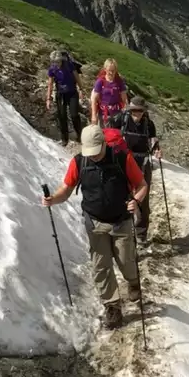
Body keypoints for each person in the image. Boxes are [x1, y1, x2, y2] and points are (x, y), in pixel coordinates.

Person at [42, 124, 149, 329]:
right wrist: (52, 199)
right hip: (94, 221)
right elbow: (66, 190)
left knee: (126, 261)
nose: (93, 157)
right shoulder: (79, 162)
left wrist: (135, 200)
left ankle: (133, 281)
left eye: (96, 152)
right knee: (101, 266)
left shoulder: (122, 158)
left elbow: (142, 184)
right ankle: (112, 307)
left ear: (103, 144)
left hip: (121, 221)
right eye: (89, 152)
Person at [108, 96, 161, 245]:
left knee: (143, 199)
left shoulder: (149, 125)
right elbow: (109, 134)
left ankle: (140, 233)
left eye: (139, 111)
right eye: (133, 110)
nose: (136, 113)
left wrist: (157, 149)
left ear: (144, 111)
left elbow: (153, 141)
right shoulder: (119, 119)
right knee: (120, 194)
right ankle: (119, 228)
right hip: (123, 161)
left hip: (143, 162)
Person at [46, 50, 84, 146]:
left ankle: (80, 135)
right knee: (62, 116)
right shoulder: (52, 69)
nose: (57, 64)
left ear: (61, 60)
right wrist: (48, 98)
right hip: (61, 94)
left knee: (74, 114)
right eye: (54, 62)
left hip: (72, 93)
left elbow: (76, 77)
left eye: (58, 62)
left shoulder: (69, 65)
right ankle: (64, 138)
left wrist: (81, 89)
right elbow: (50, 84)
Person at [90, 59, 128, 128]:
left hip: (117, 114)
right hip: (103, 114)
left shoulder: (119, 82)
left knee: (115, 135)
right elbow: (94, 100)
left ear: (116, 70)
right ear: (105, 69)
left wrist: (126, 111)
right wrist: (94, 115)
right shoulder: (100, 81)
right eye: (109, 70)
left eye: (113, 70)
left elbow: (124, 99)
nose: (111, 72)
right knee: (104, 135)